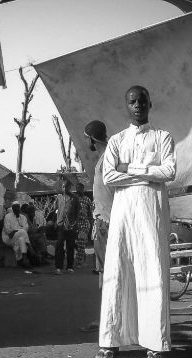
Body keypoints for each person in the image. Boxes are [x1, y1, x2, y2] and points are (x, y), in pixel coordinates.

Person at [96, 85, 176, 358]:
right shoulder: (117, 141)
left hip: (151, 215)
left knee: (153, 271)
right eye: (132, 101)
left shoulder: (162, 137)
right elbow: (108, 176)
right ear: (126, 106)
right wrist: (148, 175)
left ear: (150, 104)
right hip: (124, 217)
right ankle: (111, 341)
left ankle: (156, 344)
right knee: (119, 272)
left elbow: (169, 171)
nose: (138, 105)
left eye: (142, 101)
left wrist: (130, 168)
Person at [80, 120, 114, 333]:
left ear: (92, 139)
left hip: (107, 224)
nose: (86, 142)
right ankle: (107, 319)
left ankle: (107, 322)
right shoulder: (106, 158)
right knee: (105, 273)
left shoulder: (108, 159)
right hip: (105, 223)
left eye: (86, 138)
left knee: (106, 274)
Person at [53, 180, 79, 274]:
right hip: (61, 225)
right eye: (63, 187)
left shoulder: (75, 198)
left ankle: (69, 266)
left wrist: (75, 223)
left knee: (70, 246)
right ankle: (58, 267)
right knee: (59, 245)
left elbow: (77, 212)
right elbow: (56, 210)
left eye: (66, 187)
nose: (64, 188)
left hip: (71, 226)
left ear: (69, 187)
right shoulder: (59, 198)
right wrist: (56, 221)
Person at [2, 201, 32, 271]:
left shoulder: (23, 217)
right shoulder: (8, 216)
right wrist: (16, 231)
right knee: (22, 232)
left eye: (18, 208)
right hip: (8, 238)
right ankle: (29, 246)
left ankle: (21, 260)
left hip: (18, 237)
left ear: (20, 208)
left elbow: (26, 228)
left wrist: (15, 231)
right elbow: (8, 231)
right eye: (15, 208)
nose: (17, 209)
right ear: (12, 208)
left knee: (21, 239)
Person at [74, 182, 92, 267]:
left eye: (79, 188)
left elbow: (91, 212)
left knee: (81, 241)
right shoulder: (73, 199)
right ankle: (83, 256)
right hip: (75, 224)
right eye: (77, 188)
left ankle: (79, 261)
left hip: (84, 223)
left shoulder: (87, 199)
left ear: (82, 189)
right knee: (77, 243)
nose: (78, 190)